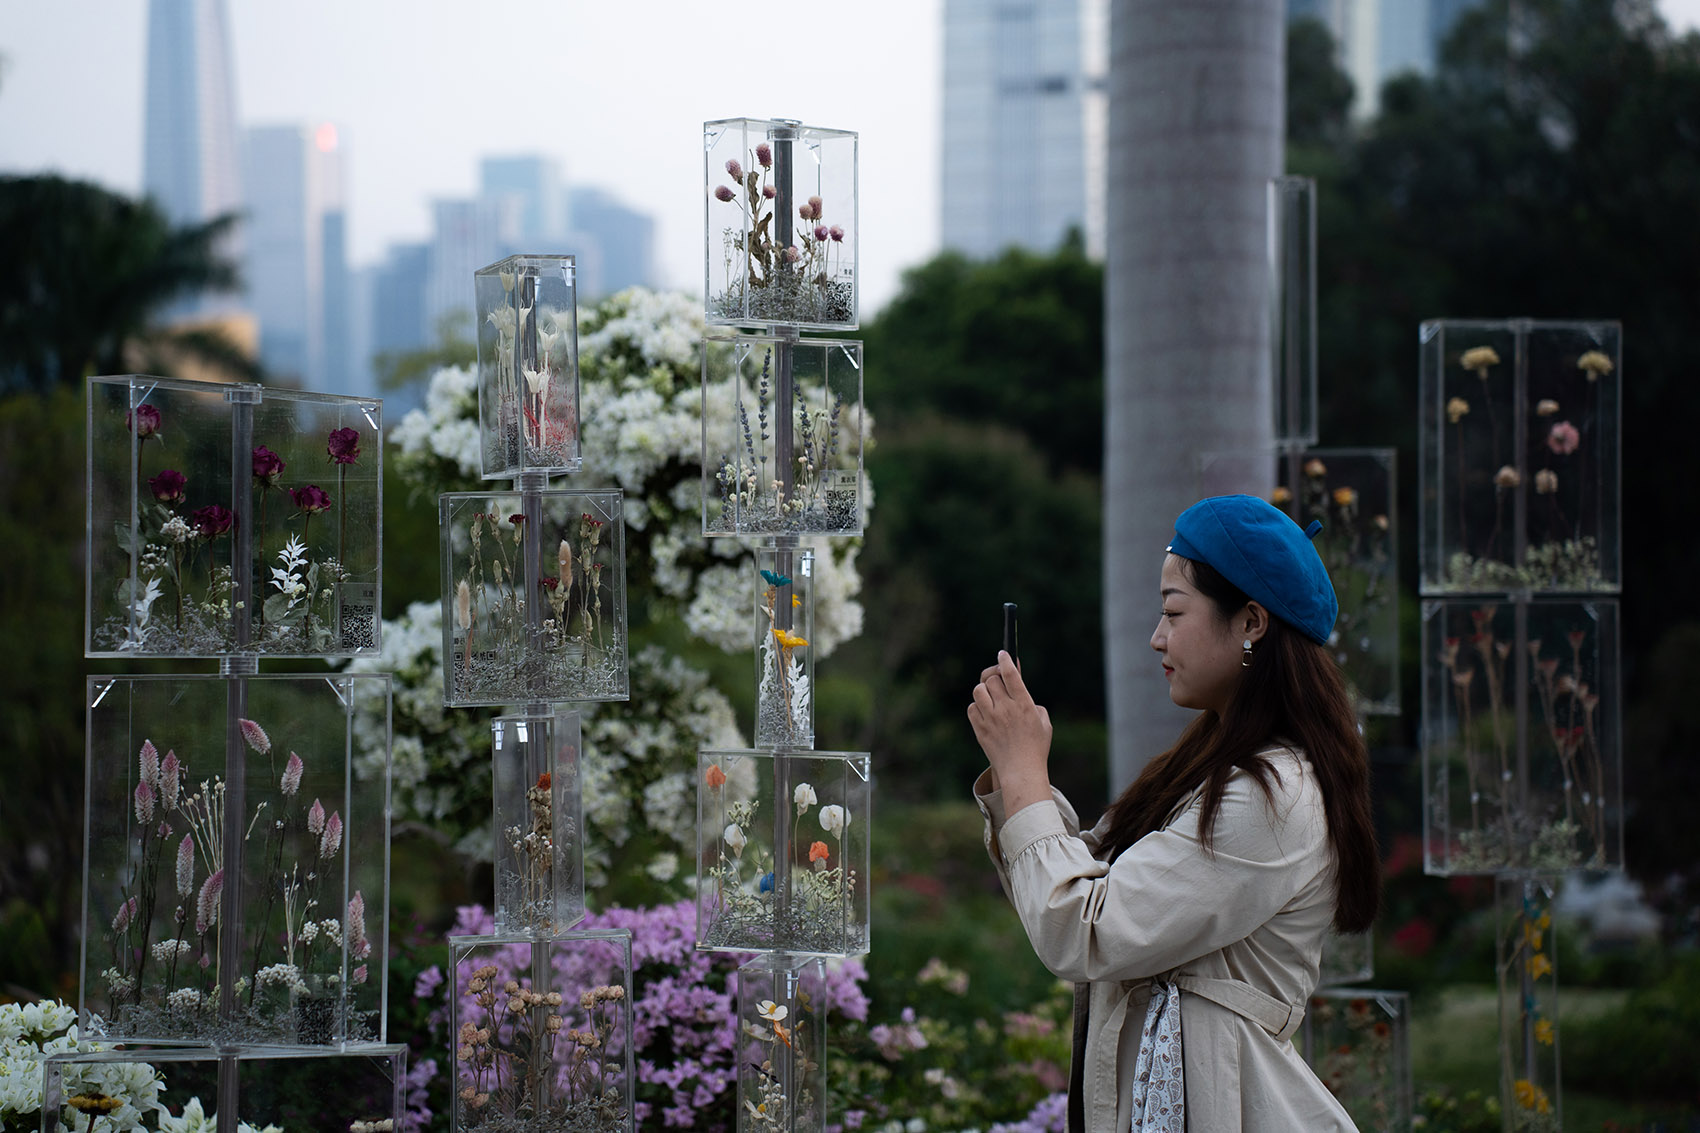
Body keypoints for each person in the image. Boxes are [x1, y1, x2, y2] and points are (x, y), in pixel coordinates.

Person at [968, 495, 1380, 1132]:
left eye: (1173, 612)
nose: (1157, 637)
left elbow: (1083, 928)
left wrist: (1026, 774)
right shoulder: (1216, 767)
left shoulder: (1274, 796)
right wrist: (1013, 772)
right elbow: (1075, 880)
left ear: (1251, 622)